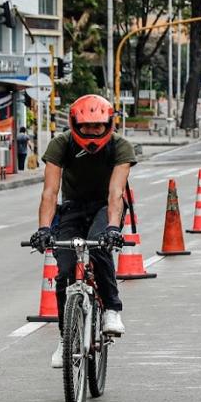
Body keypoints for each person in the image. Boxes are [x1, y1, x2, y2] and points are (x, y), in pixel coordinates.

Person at [29, 94, 136, 368]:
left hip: (105, 207)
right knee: (63, 269)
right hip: (72, 207)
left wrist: (113, 228)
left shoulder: (120, 146)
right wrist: (43, 229)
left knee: (100, 248)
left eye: (97, 126)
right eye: (86, 126)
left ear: (108, 124)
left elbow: (116, 193)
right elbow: (50, 192)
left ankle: (112, 308)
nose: (91, 132)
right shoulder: (60, 144)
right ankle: (66, 340)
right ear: (75, 124)